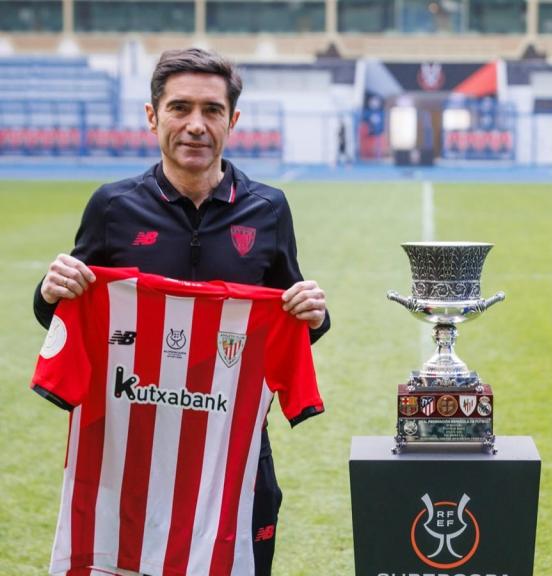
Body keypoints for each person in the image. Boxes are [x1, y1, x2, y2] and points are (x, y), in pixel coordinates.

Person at [33, 47, 329, 575]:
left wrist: (313, 313)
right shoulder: (112, 207)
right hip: (129, 448)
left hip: (231, 451)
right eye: (180, 108)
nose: (196, 125)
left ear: (233, 121)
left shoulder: (268, 209)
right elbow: (61, 315)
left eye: (212, 110)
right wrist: (51, 289)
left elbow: (289, 321)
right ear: (153, 116)